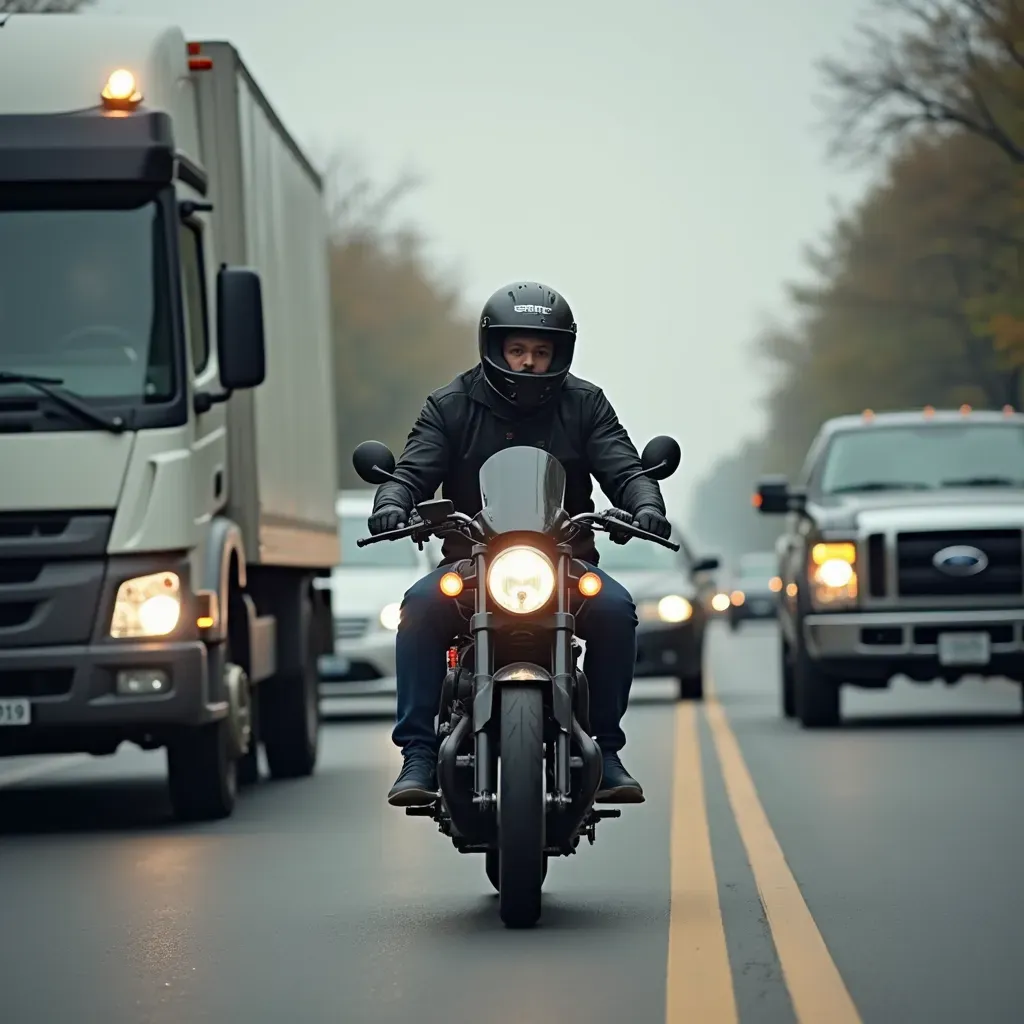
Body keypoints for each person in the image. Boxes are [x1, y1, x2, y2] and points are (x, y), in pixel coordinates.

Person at [368, 281, 672, 807]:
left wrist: (646, 504)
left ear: (560, 353)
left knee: (617, 608)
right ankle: (417, 754)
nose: (528, 363)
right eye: (517, 350)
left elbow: (625, 467)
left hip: (565, 561)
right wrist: (391, 501)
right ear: (495, 348)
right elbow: (412, 468)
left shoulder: (586, 404)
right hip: (472, 562)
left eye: (540, 351)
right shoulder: (450, 405)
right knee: (418, 607)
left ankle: (607, 746)